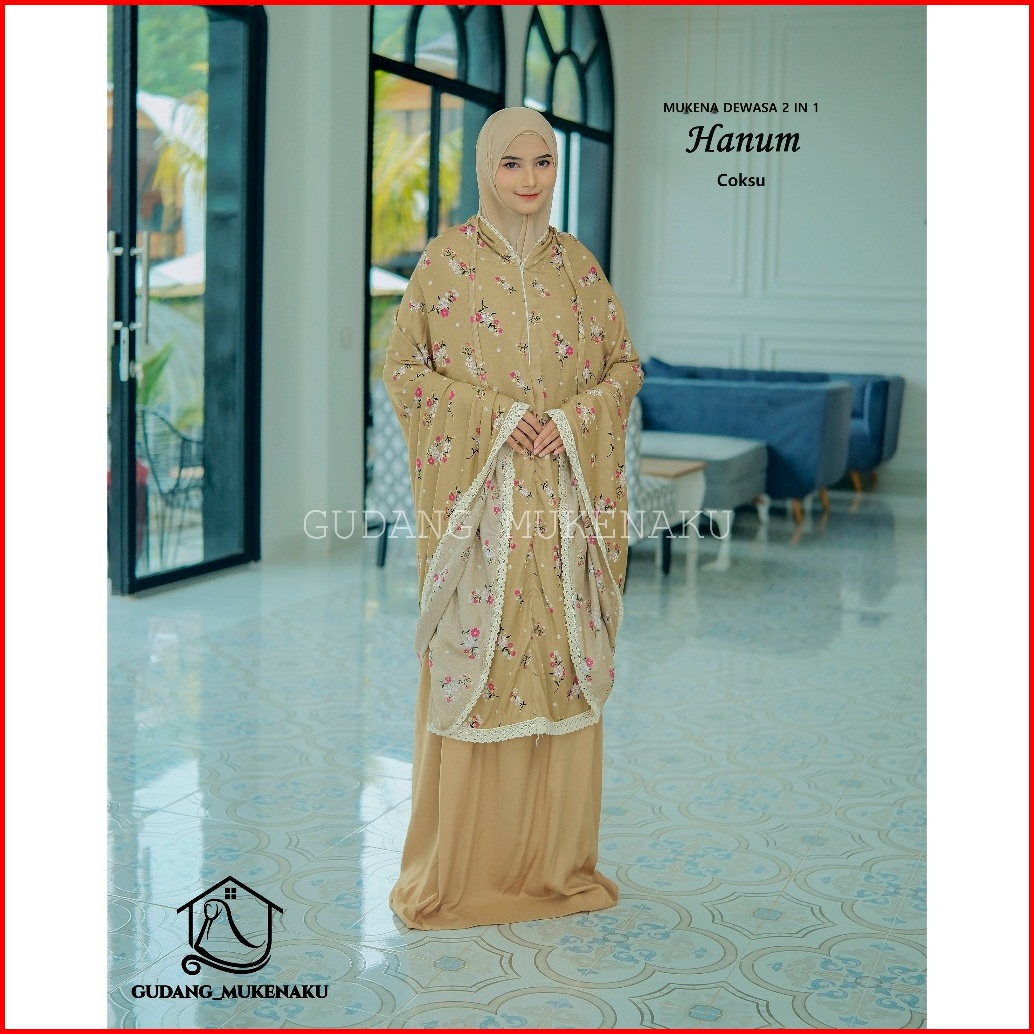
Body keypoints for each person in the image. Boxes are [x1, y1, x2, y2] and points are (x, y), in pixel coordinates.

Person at [382, 106, 643, 930]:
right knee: (479, 667)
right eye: (511, 164)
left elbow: (624, 366)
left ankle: (555, 870)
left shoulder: (579, 267)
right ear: (486, 169)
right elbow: (404, 370)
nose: (529, 179)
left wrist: (571, 419)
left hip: (564, 513)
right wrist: (496, 419)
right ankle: (463, 875)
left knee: (561, 670)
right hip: (482, 513)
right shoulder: (446, 263)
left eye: (542, 163)